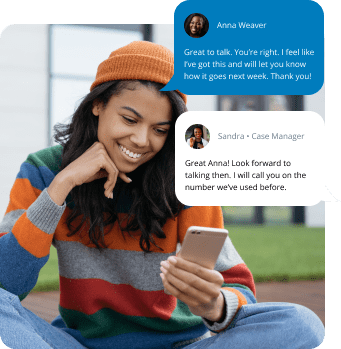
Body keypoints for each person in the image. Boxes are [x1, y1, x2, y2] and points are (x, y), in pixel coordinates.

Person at [0, 41, 324, 349]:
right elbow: (7, 282)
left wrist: (213, 304)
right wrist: (61, 186)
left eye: (160, 130)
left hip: (179, 343)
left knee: (302, 324)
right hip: (79, 343)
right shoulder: (44, 170)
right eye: (129, 119)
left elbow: (238, 288)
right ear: (98, 104)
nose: (142, 140)